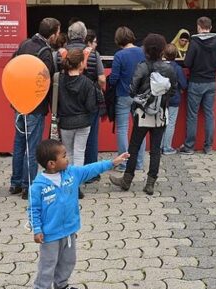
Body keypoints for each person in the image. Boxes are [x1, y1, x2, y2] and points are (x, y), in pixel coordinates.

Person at [28, 139, 129, 289]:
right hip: (50, 234)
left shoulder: (71, 174)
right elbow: (33, 210)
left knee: (68, 260)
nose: (68, 159)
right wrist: (37, 229)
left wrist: (111, 163)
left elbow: (90, 169)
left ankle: (61, 286)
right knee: (48, 263)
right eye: (64, 156)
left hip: (69, 230)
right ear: (52, 164)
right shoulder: (38, 186)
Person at [110, 34, 177, 195]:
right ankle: (150, 184)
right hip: (161, 114)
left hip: (142, 113)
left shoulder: (142, 66)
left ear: (146, 49)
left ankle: (127, 180)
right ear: (163, 49)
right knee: (155, 150)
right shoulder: (169, 68)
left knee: (133, 147)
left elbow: (132, 89)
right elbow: (173, 90)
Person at [10, 18, 58, 200]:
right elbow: (47, 80)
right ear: (53, 34)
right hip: (35, 106)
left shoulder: (24, 45)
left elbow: (12, 68)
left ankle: (15, 182)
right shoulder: (45, 52)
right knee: (32, 147)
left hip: (19, 103)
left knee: (19, 143)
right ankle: (27, 186)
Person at [56, 22, 106, 168]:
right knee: (89, 140)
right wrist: (98, 90)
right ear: (84, 36)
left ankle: (69, 177)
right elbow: (102, 78)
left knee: (68, 149)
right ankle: (90, 172)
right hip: (88, 103)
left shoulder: (58, 54)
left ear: (69, 35)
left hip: (65, 107)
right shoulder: (93, 54)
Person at [178, 17, 216, 155]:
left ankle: (189, 147)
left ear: (199, 27)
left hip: (196, 82)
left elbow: (187, 63)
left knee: (192, 116)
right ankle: (208, 147)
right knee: (209, 115)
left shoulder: (194, 43)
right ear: (210, 28)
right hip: (211, 82)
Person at [108, 26, 147, 172]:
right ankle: (138, 163)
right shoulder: (143, 52)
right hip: (141, 96)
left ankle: (123, 163)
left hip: (123, 95)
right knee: (140, 129)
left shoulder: (119, 55)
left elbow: (113, 78)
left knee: (122, 129)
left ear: (118, 40)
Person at [58, 48, 98, 169]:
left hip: (65, 122)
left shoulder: (58, 80)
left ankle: (69, 181)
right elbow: (91, 107)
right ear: (81, 63)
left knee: (68, 153)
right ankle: (77, 182)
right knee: (80, 153)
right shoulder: (87, 82)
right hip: (83, 122)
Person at [161, 44, 188, 155]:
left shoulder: (159, 67)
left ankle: (159, 146)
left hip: (161, 99)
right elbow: (184, 84)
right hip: (174, 99)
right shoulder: (177, 68)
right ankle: (167, 148)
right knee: (170, 123)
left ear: (163, 54)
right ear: (176, 55)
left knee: (161, 123)